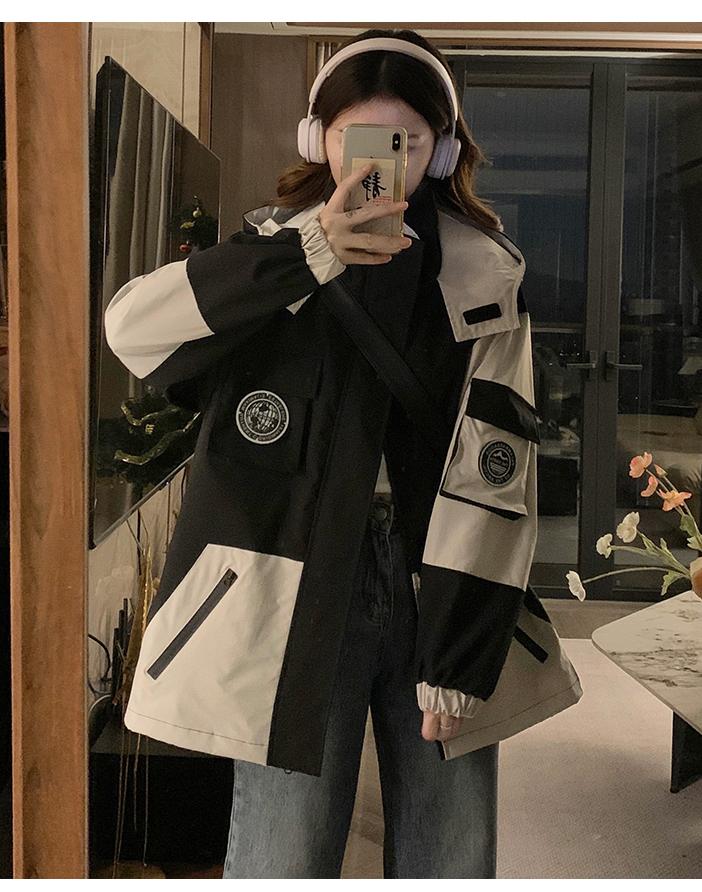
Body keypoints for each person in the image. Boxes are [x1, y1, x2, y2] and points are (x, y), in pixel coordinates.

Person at [104, 28, 582, 879]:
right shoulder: (265, 254)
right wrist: (304, 253)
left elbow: (495, 470)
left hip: (438, 576)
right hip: (289, 574)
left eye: (409, 140)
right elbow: (131, 332)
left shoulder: (483, 274)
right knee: (281, 854)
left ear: (441, 152)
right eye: (358, 136)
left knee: (449, 853)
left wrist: (461, 650)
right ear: (316, 138)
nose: (381, 161)